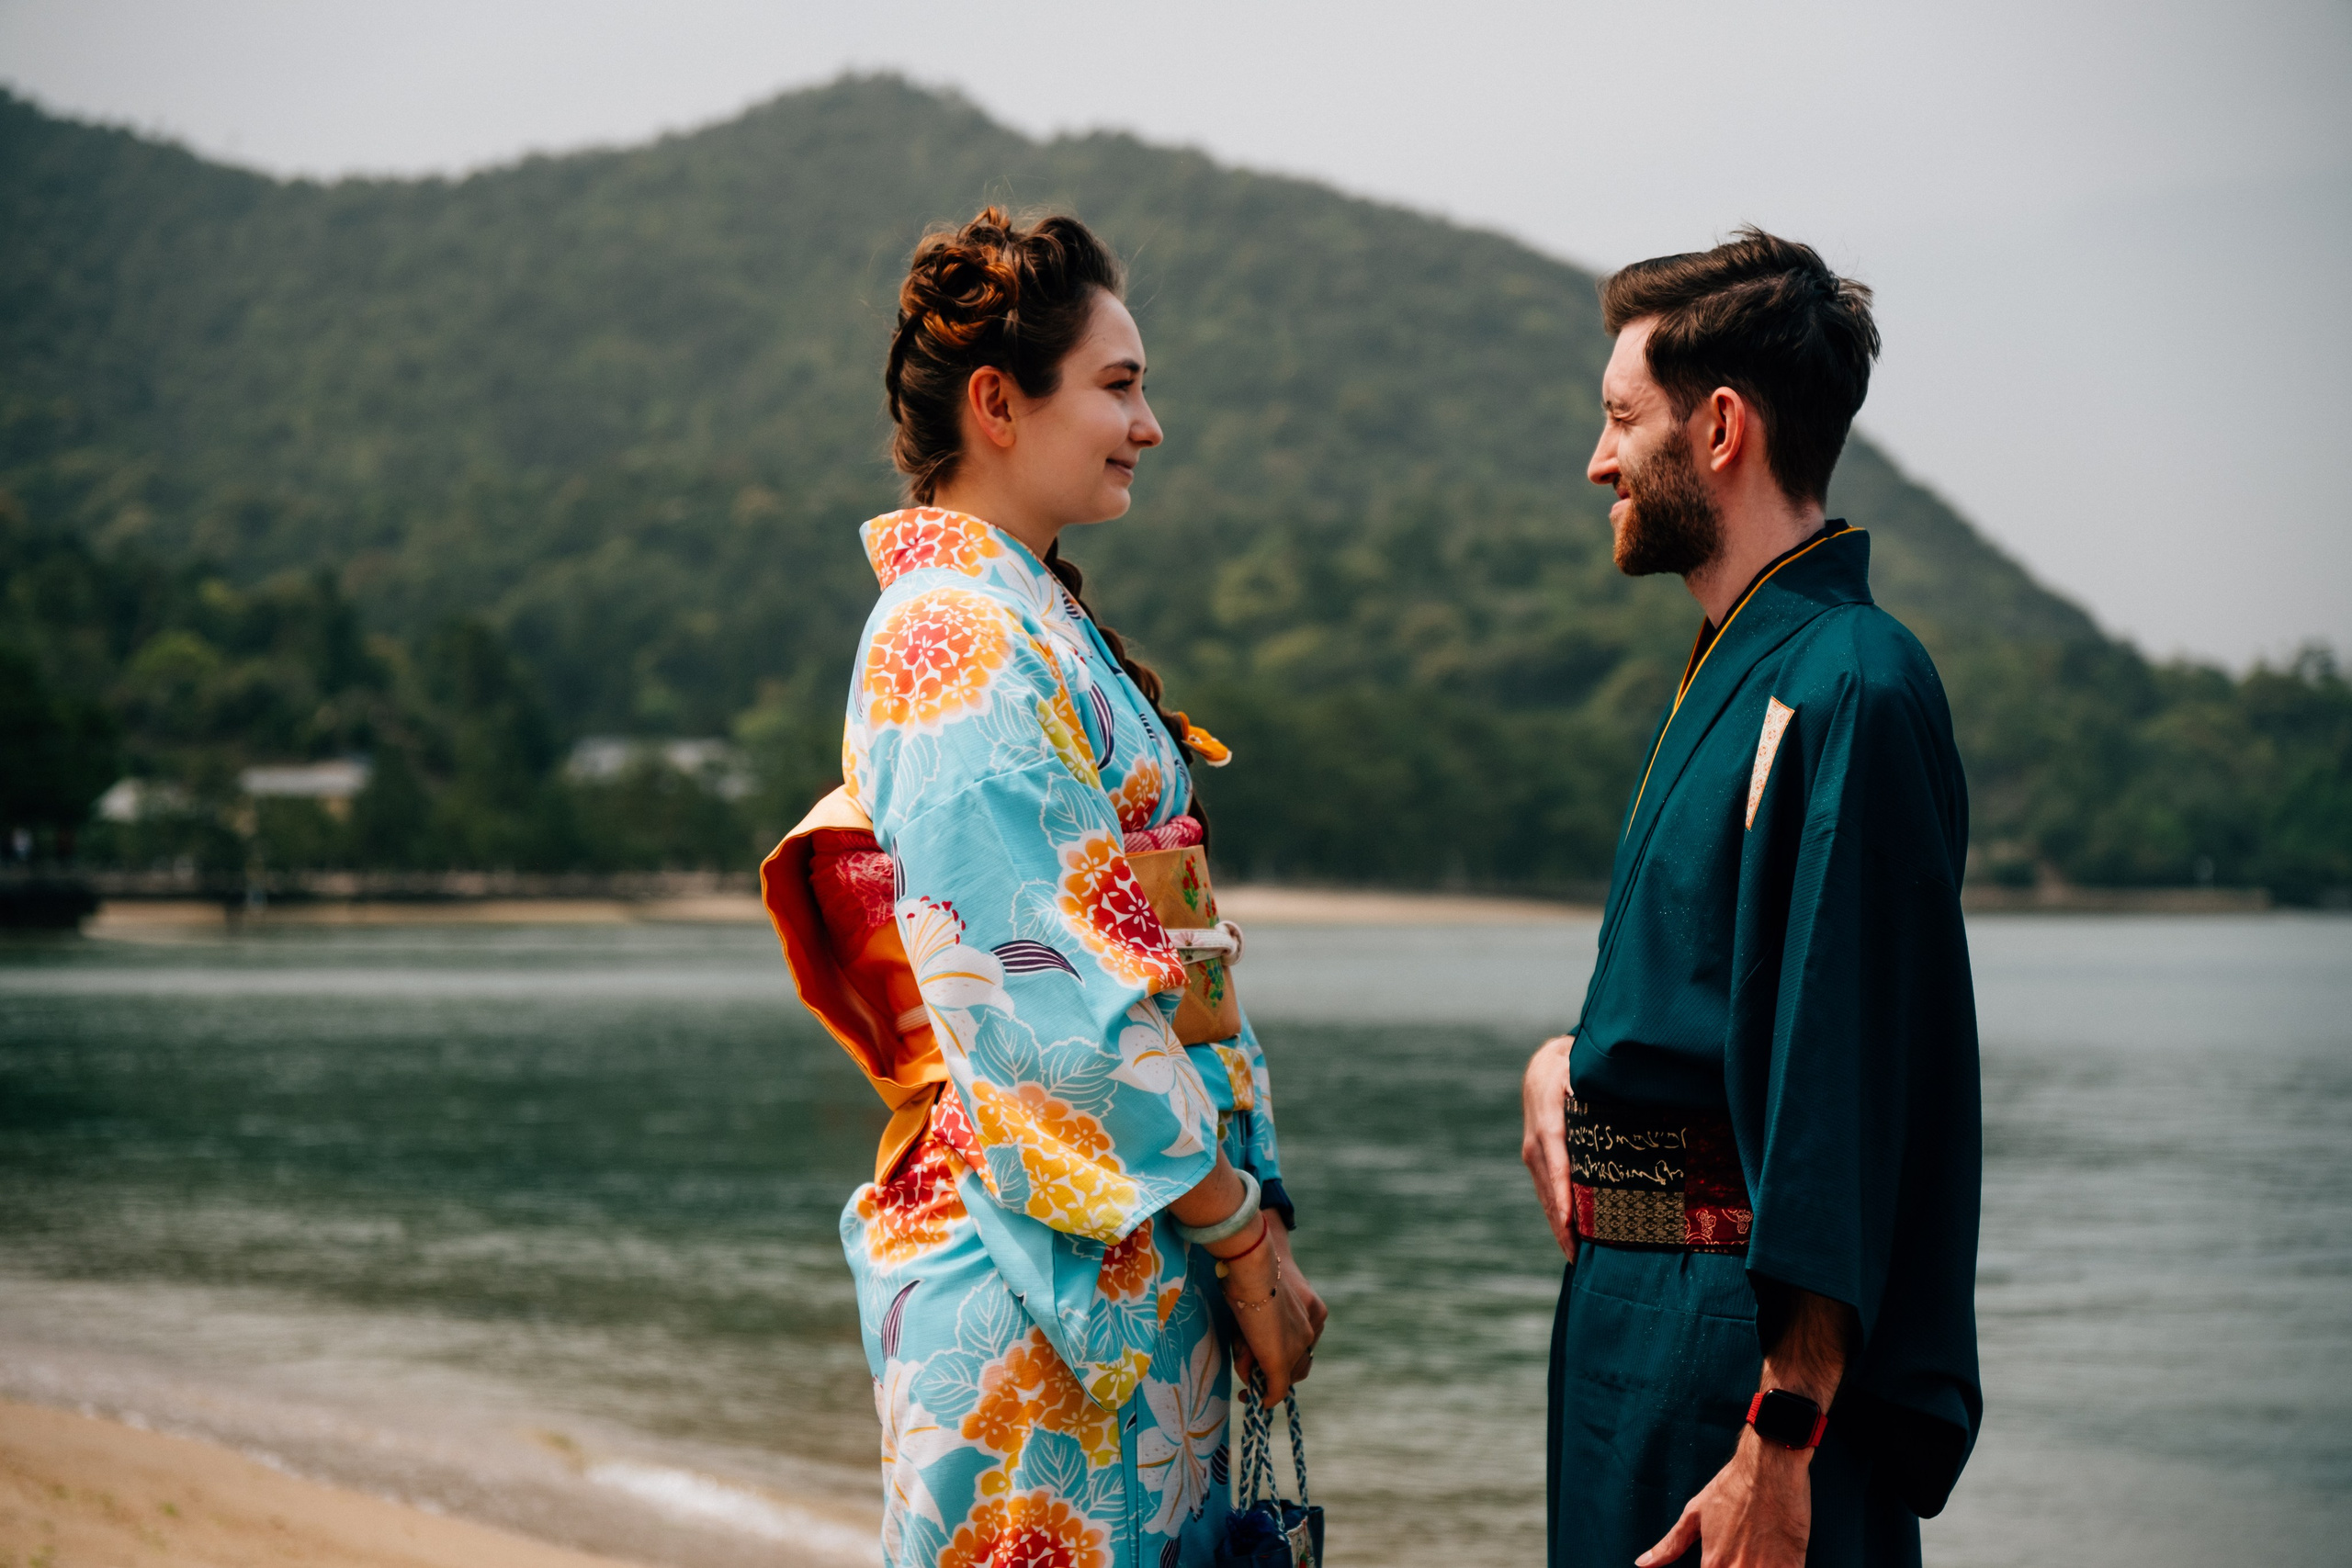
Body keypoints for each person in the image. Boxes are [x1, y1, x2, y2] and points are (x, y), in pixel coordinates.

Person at [760, 207, 1325, 1568]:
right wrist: (1241, 1234)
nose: (1149, 424)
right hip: (1042, 1274)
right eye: (1119, 387)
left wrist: (1243, 1211)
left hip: (1114, 1229)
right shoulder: (954, 636)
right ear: (998, 403)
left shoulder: (1023, 615)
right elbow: (1041, 1002)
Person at [1521, 230, 1983, 1568]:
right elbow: (1713, 1009)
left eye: (1622, 421)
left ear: (1721, 428)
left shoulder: (1856, 686)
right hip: (1634, 1322)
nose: (1599, 461)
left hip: (1743, 1366)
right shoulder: (1739, 666)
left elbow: (1843, 1091)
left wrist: (1782, 1439)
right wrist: (1568, 1069)